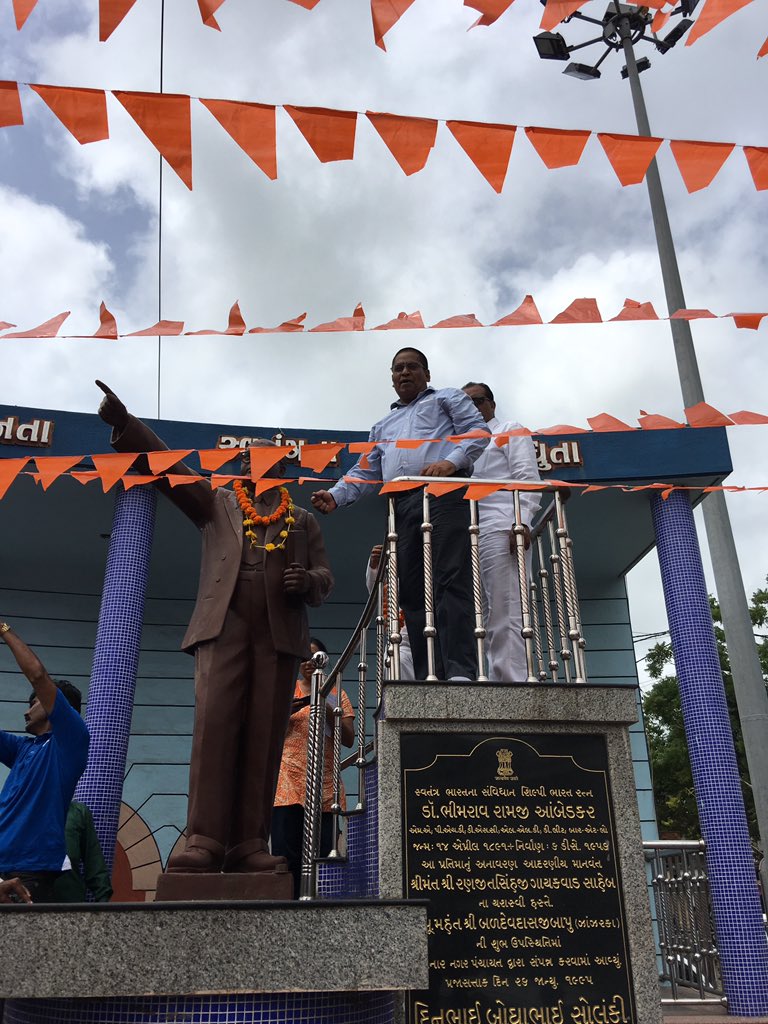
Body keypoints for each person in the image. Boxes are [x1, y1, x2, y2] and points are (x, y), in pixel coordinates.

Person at [97, 381, 334, 875]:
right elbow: (171, 472)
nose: (262, 467)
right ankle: (203, 838)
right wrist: (127, 425)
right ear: (243, 467)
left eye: (273, 461)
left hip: (278, 633)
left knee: (264, 734)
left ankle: (249, 842)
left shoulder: (304, 521)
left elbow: (326, 577)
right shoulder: (218, 504)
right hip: (223, 625)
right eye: (255, 460)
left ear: (285, 471)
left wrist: (307, 579)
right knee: (215, 727)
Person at [312, 348, 488, 681]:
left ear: (427, 373)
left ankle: (460, 671)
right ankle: (426, 674)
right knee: (410, 589)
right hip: (401, 504)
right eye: (397, 369)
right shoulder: (382, 425)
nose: (404, 373)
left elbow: (477, 432)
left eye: (411, 367)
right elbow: (366, 470)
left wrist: (451, 463)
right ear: (391, 378)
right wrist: (335, 495)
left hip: (444, 491)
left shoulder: (445, 398)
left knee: (450, 579)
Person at [0, 622, 90, 902]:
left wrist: (3, 629)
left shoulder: (69, 743)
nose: (26, 712)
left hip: (30, 873)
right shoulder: (24, 749)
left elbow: (38, 675)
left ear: (56, 706)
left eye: (34, 703)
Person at [462, 382, 542, 681]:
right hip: (470, 534)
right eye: (464, 404)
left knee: (507, 608)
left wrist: (520, 521)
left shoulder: (509, 429)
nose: (472, 408)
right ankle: (492, 679)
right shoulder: (462, 445)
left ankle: (513, 683)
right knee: (481, 613)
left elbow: (527, 478)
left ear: (491, 404)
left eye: (477, 401)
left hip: (502, 527)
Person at [272, 638, 354, 898]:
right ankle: (289, 904)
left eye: (315, 656)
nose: (309, 662)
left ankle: (319, 906)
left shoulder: (337, 693)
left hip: (324, 785)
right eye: (304, 657)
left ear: (324, 660)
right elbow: (273, 731)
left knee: (323, 851)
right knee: (287, 852)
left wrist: (322, 701)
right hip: (288, 782)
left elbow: (349, 738)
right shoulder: (286, 690)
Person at [365, 544, 414, 680]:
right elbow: (378, 595)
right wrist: (375, 566)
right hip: (401, 642)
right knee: (396, 664)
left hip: (432, 641)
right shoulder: (394, 577)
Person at [53, 801, 113, 902]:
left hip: (70, 901)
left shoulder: (76, 812)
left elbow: (94, 861)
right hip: (31, 900)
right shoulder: (24, 809)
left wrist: (103, 900)